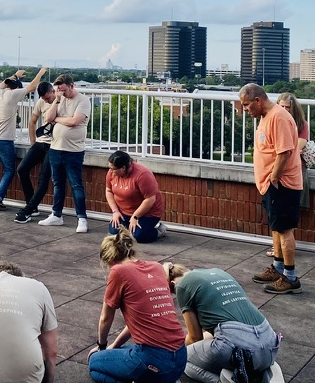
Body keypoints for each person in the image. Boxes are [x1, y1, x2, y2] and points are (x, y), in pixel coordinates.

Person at [87, 230, 186, 383]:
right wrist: (114, 346)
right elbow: (138, 321)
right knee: (123, 351)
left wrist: (102, 346)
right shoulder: (156, 267)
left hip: (155, 361)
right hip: (180, 358)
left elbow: (105, 318)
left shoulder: (118, 271)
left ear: (109, 260)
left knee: (94, 363)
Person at [167, 261, 282, 383]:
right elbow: (223, 330)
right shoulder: (218, 272)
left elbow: (195, 338)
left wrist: (172, 349)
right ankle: (254, 372)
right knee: (219, 346)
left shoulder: (182, 285)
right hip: (269, 343)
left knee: (183, 359)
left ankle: (228, 380)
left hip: (238, 349)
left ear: (172, 284)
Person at [238, 84, 303, 295]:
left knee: (284, 230)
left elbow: (284, 152)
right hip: (271, 184)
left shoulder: (279, 117)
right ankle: (278, 267)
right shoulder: (266, 117)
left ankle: (290, 277)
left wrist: (274, 178)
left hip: (282, 184)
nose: (245, 109)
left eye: (246, 105)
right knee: (276, 228)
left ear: (258, 101)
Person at [0, 67, 48, 211]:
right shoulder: (13, 95)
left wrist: (15, 75)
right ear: (16, 88)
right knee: (9, 169)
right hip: (3, 139)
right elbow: (32, 87)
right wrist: (41, 72)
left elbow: (3, 83)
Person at [38, 74, 92, 233]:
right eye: (58, 90)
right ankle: (56, 214)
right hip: (56, 148)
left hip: (73, 150)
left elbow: (74, 121)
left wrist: (57, 119)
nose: (61, 93)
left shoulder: (83, 101)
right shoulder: (59, 100)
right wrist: (57, 100)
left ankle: (81, 218)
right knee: (57, 183)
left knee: (76, 184)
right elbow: (48, 118)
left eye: (63, 90)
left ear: (72, 86)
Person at [14, 82, 57, 223]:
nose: (46, 100)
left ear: (53, 91)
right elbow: (32, 121)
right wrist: (33, 141)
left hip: (55, 145)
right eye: (43, 98)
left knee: (43, 179)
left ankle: (28, 210)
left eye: (47, 98)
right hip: (41, 142)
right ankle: (32, 206)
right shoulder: (41, 102)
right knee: (22, 169)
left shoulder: (61, 101)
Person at [104, 150, 167, 243]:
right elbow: (108, 190)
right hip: (124, 211)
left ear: (123, 168)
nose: (110, 171)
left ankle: (159, 231)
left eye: (113, 169)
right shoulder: (111, 173)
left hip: (146, 213)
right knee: (114, 234)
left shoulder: (142, 175)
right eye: (109, 168)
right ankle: (129, 227)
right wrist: (115, 211)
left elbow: (150, 199)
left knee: (138, 236)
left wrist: (135, 217)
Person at [276, 93, 310, 209]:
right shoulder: (274, 121)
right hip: (277, 163)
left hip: (295, 165)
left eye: (287, 107)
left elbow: (299, 145)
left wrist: (286, 149)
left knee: (294, 203)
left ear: (293, 108)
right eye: (282, 106)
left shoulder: (302, 124)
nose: (284, 109)